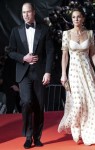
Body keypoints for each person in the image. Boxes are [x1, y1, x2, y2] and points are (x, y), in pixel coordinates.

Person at [58, 7, 95, 146]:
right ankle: (76, 125)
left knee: (92, 101)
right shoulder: (66, 34)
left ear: (83, 18)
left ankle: (88, 129)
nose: (76, 19)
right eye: (73, 17)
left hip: (87, 71)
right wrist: (63, 74)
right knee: (78, 101)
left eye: (78, 17)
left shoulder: (90, 34)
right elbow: (64, 56)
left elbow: (93, 53)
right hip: (73, 72)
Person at [8, 2, 54, 149]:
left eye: (28, 12)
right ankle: (28, 136)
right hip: (24, 73)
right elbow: (10, 52)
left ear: (34, 12)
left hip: (40, 72)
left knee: (39, 106)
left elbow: (50, 52)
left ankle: (37, 137)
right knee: (26, 102)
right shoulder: (16, 30)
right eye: (23, 13)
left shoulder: (44, 30)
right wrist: (23, 58)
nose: (26, 15)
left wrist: (47, 72)